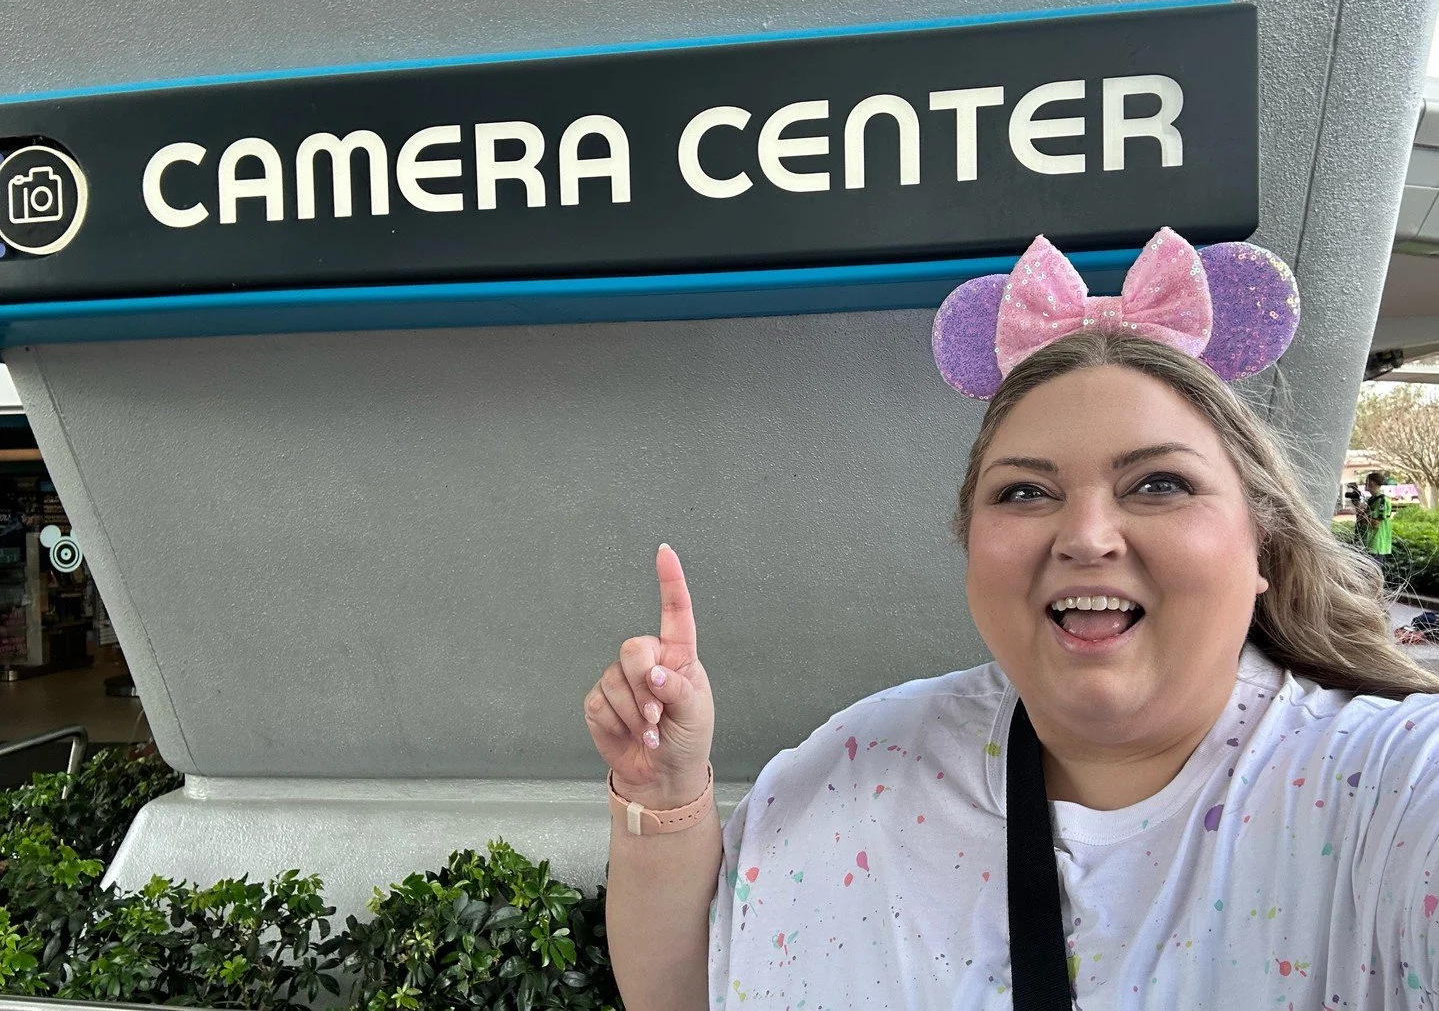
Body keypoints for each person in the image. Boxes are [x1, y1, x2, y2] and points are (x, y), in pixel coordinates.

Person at [582, 229, 1439, 1009]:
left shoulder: (1389, 791)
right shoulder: (862, 762)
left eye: (1158, 484)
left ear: (1260, 544)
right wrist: (663, 795)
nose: (1087, 536)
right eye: (1025, 492)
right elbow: (687, 993)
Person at [1357, 470, 1395, 571]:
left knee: (1374, 573)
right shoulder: (1370, 500)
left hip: (1377, 543)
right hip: (1368, 542)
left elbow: (1375, 523)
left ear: (1372, 482)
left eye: (1367, 481)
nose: (1366, 483)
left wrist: (1363, 516)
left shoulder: (1382, 500)